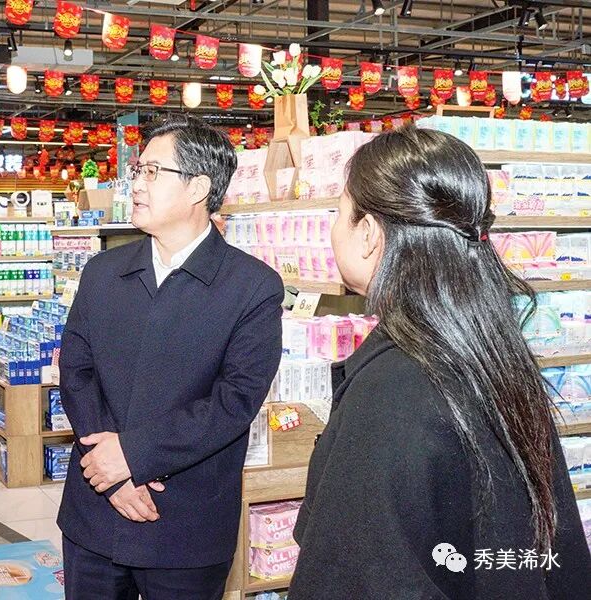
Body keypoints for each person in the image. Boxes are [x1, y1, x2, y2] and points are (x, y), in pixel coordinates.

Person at [288, 126, 591, 598]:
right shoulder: (493, 355)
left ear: (368, 233)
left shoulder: (392, 387)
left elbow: (358, 573)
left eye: (340, 212)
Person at [57, 114, 284, 599]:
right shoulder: (103, 272)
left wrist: (134, 456)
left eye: (152, 172)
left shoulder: (252, 287)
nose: (136, 184)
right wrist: (108, 468)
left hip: (185, 521)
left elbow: (234, 401)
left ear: (198, 188)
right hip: (95, 509)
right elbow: (76, 371)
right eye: (138, 171)